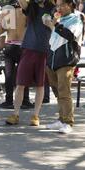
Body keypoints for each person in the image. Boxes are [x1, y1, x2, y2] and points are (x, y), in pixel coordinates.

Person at [5, 0, 55, 127]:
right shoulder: (32, 7)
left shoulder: (53, 8)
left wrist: (50, 24)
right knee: (20, 83)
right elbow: (22, 2)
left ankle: (36, 115)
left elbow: (56, 27)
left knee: (40, 84)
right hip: (28, 48)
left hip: (44, 50)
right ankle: (15, 114)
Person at [44, 0, 83, 133]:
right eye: (57, 5)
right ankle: (61, 119)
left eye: (62, 5)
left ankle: (68, 122)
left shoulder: (76, 19)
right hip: (52, 59)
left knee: (64, 91)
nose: (59, 7)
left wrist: (56, 24)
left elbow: (70, 35)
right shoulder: (58, 17)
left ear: (71, 5)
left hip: (66, 60)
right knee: (57, 91)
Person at [0, 0, 34, 109]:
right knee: (24, 74)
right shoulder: (27, 11)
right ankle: (25, 100)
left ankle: (8, 100)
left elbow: (0, 30)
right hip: (24, 46)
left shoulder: (7, 11)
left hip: (9, 45)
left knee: (9, 75)